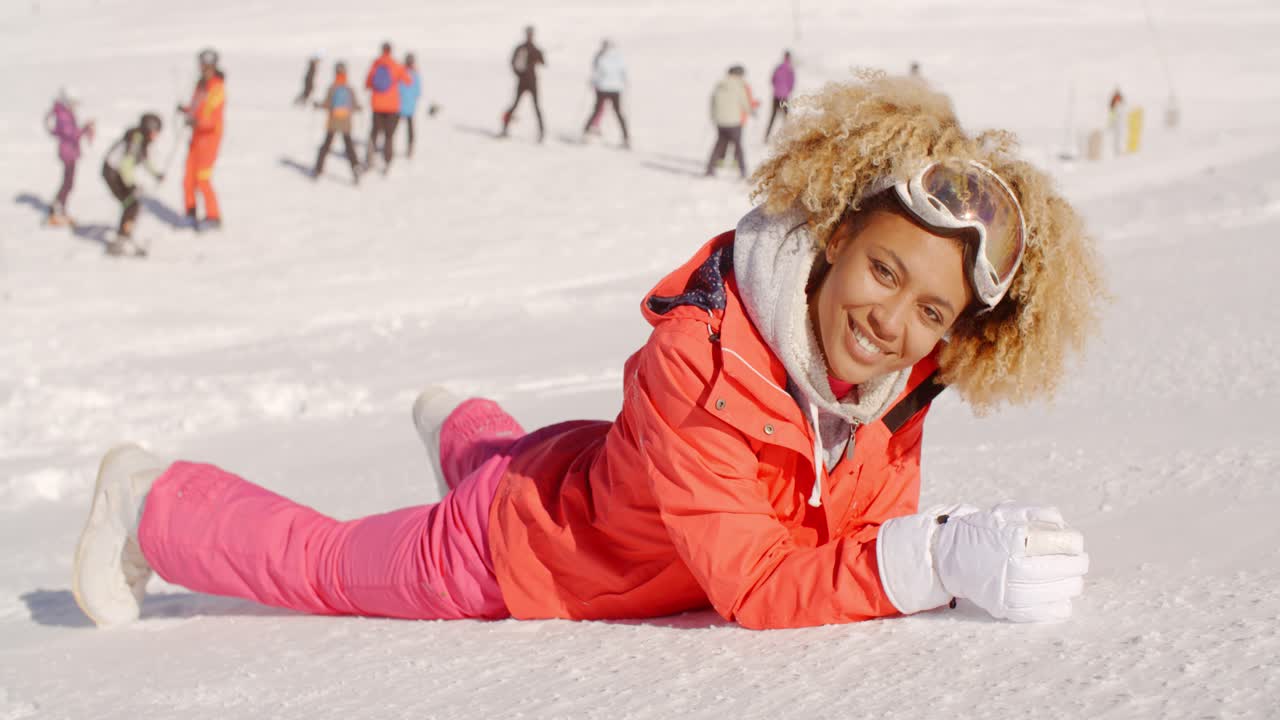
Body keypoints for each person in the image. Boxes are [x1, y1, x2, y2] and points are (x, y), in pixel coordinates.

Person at [72, 73, 1104, 631]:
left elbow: (845, 535)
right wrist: (933, 559)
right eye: (884, 270)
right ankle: (149, 500)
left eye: (931, 311)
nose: (892, 322)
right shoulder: (699, 366)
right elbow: (756, 585)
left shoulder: (897, 388)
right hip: (519, 554)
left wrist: (949, 551)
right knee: (329, 564)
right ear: (834, 238)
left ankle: (464, 428)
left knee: (521, 461)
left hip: (594, 475)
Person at [100, 113, 164, 256]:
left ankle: (124, 235)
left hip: (116, 172)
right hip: (112, 173)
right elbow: (126, 164)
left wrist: (155, 174)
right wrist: (131, 185)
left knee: (131, 204)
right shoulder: (135, 140)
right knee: (131, 204)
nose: (157, 136)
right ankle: (122, 239)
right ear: (149, 129)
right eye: (155, 132)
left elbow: (144, 159)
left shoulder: (140, 138)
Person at [178, 48, 225, 231]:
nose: (203, 69)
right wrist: (186, 111)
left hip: (209, 138)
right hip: (197, 136)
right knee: (188, 177)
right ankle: (190, 212)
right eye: (202, 65)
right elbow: (196, 107)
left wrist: (197, 121)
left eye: (206, 66)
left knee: (203, 178)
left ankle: (213, 216)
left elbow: (213, 117)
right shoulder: (201, 85)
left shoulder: (217, 87)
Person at [44, 87, 94, 226]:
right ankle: (57, 208)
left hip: (70, 151)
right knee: (68, 182)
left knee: (68, 182)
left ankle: (59, 207)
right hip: (68, 152)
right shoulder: (63, 115)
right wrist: (85, 128)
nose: (75, 106)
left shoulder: (64, 113)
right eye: (73, 103)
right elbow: (72, 134)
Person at [311, 61, 362, 184]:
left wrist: (318, 105)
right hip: (345, 122)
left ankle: (318, 169)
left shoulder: (332, 88)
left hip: (333, 121)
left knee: (326, 145)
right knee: (349, 146)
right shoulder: (349, 88)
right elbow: (354, 105)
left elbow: (327, 104)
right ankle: (355, 167)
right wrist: (359, 108)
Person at [364, 42, 410, 173]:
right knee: (389, 136)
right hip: (392, 106)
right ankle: (388, 160)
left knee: (374, 133)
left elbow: (367, 83)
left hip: (377, 105)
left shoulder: (376, 64)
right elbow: (408, 81)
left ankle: (370, 157)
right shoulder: (396, 65)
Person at [705, 65, 752, 178]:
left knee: (719, 145)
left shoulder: (720, 84)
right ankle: (743, 171)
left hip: (720, 121)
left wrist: (713, 117)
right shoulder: (739, 86)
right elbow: (744, 103)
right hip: (734, 121)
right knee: (738, 146)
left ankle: (710, 170)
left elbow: (712, 101)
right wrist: (750, 111)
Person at [500, 25, 546, 141]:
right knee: (532, 106)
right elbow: (543, 62)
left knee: (518, 105)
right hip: (530, 82)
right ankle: (541, 132)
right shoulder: (533, 49)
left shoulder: (523, 48)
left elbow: (513, 63)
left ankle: (505, 128)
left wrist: (519, 74)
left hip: (524, 82)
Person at [581, 39, 629, 147]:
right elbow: (623, 72)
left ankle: (586, 132)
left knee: (596, 110)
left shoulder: (601, 57)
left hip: (603, 87)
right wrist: (623, 82)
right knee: (618, 112)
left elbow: (597, 72)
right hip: (616, 88)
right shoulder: (619, 57)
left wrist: (592, 82)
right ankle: (626, 137)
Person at [764, 51, 794, 142]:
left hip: (776, 96)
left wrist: (776, 89)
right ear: (789, 58)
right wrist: (787, 91)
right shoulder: (790, 69)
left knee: (773, 116)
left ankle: (766, 137)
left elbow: (772, 79)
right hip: (784, 97)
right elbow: (792, 83)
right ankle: (789, 137)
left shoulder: (778, 67)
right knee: (786, 117)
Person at [399, 53, 422, 157]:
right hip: (410, 106)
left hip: (399, 105)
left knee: (393, 128)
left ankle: (388, 146)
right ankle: (410, 148)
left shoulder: (400, 72)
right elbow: (418, 92)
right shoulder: (415, 75)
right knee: (410, 128)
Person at [1108, 87, 1127, 157]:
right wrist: (1111, 123)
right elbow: (1111, 115)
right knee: (1116, 137)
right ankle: (1117, 151)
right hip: (1116, 123)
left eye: (1118, 96)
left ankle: (1119, 150)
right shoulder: (1114, 105)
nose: (1117, 98)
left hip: (1120, 124)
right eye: (1116, 97)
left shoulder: (1121, 105)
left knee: (1120, 136)